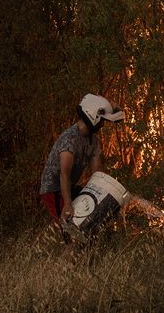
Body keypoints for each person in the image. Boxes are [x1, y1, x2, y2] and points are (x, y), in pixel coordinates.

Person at [39, 93, 124, 230]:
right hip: (53, 189)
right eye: (102, 120)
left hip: (68, 187)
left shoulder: (93, 141)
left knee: (90, 225)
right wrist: (67, 204)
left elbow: (97, 174)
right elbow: (64, 174)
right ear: (92, 115)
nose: (102, 124)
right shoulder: (70, 138)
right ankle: (67, 248)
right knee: (69, 229)